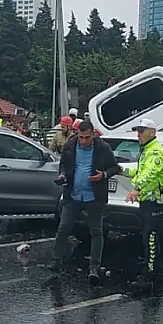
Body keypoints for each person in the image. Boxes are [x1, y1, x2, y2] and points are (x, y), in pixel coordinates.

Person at [47, 120, 120, 283]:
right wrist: (63, 176)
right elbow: (64, 165)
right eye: (80, 137)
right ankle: (55, 261)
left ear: (93, 134)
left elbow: (115, 167)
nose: (83, 141)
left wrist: (104, 175)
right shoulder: (71, 145)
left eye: (86, 137)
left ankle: (94, 266)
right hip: (73, 195)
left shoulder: (102, 148)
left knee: (96, 231)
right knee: (63, 228)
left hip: (94, 196)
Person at [125, 118, 163, 289]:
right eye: (137, 131)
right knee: (149, 238)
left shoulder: (154, 152)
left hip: (154, 202)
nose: (138, 135)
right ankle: (157, 272)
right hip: (147, 201)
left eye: (142, 131)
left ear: (153, 132)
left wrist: (136, 188)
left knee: (150, 238)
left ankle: (149, 276)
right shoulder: (147, 150)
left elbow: (150, 173)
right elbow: (140, 171)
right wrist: (119, 170)